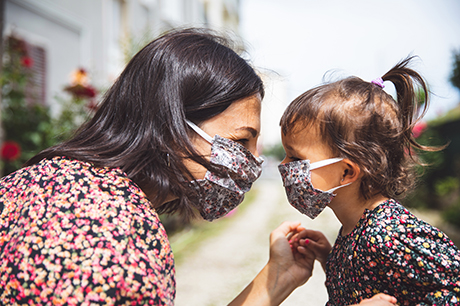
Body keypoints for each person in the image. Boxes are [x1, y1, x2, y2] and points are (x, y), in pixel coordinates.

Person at [0, 28, 396, 306]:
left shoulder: (62, 184)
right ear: (170, 122)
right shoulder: (106, 235)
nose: (255, 162)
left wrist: (274, 282)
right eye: (241, 141)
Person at [280, 56, 460, 305]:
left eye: (295, 157)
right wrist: (330, 259)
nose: (283, 166)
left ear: (347, 172)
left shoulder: (392, 236)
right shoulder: (356, 228)